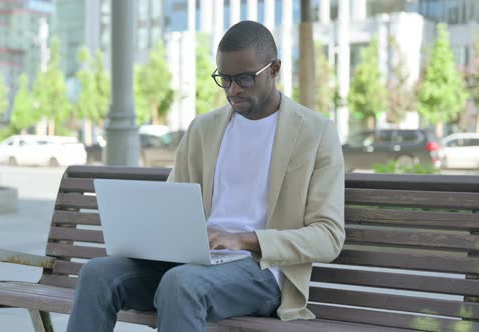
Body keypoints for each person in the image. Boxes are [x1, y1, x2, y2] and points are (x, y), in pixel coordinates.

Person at [67, 20, 345, 332]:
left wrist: (244, 239)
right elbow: (173, 205)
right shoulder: (204, 128)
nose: (233, 90)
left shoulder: (315, 132)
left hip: (264, 272)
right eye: (224, 79)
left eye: (244, 79)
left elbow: (329, 236)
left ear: (274, 69)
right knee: (97, 274)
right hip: (194, 264)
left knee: (182, 283)